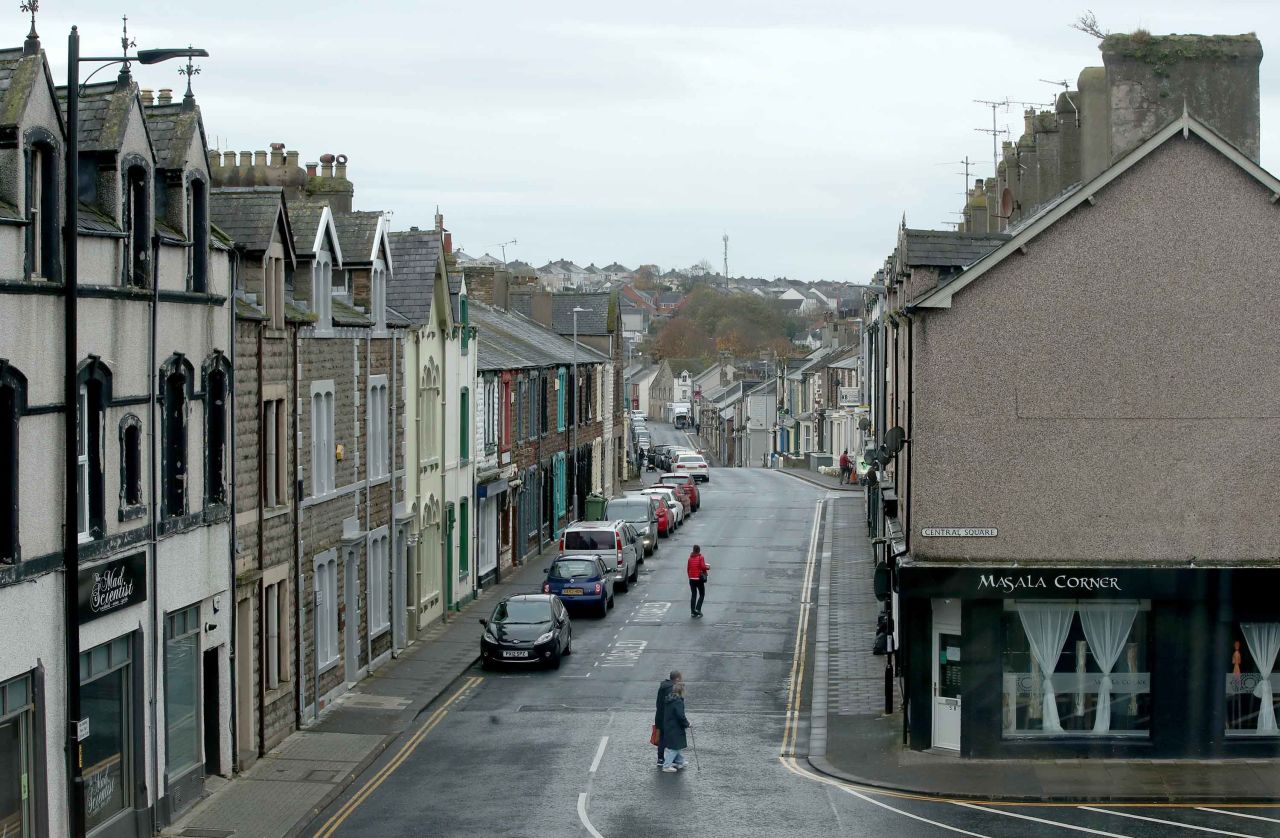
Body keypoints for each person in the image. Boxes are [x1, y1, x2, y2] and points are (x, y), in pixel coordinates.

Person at [661, 682, 691, 772]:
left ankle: (680, 761)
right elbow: (680, 716)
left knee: (676, 745)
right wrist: (687, 724)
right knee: (674, 748)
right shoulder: (678, 701)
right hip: (675, 727)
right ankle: (666, 766)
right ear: (681, 691)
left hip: (669, 725)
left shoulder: (670, 699)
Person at [655, 670, 682, 767]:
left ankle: (663, 758)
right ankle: (663, 759)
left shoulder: (663, 686)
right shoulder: (671, 688)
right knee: (666, 738)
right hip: (666, 717)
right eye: (680, 678)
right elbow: (672, 704)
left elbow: (658, 703)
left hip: (660, 715)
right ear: (677, 678)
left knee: (664, 737)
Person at [687, 545, 709, 618]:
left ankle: (692, 612)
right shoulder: (700, 557)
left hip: (691, 579)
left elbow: (688, 569)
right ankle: (698, 609)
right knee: (702, 594)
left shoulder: (690, 558)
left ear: (693, 550)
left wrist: (690, 577)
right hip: (698, 579)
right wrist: (707, 567)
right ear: (699, 550)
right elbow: (703, 567)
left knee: (693, 595)